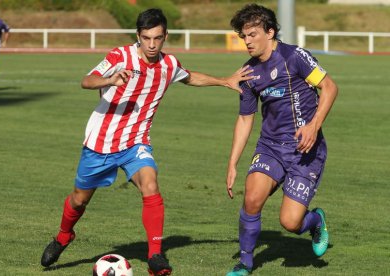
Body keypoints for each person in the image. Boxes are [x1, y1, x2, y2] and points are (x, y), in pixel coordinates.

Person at [40, 8, 252, 276]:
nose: (152, 45)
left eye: (157, 38)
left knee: (150, 183)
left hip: (135, 143)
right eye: (146, 38)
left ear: (165, 36)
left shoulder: (169, 64)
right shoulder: (120, 56)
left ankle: (154, 257)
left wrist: (224, 81)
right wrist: (110, 79)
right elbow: (87, 80)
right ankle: (63, 236)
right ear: (138, 36)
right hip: (100, 144)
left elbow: (189, 77)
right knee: (79, 200)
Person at [225, 4, 338, 275]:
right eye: (244, 36)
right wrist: (232, 163)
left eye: (252, 34)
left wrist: (314, 125)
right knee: (251, 199)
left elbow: (329, 87)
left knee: (290, 222)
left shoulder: (294, 56)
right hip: (270, 147)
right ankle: (245, 263)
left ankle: (315, 222)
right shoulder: (248, 73)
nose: (247, 41)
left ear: (270, 31)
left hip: (305, 149)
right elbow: (245, 119)